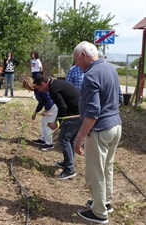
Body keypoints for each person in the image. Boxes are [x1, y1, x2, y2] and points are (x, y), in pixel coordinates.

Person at [73, 41, 122, 224]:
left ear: (84, 55)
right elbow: (118, 99)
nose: (77, 64)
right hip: (115, 126)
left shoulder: (91, 75)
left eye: (77, 60)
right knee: (107, 167)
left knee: (95, 172)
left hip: (100, 129)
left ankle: (100, 213)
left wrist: (79, 138)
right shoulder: (111, 69)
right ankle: (105, 202)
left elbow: (93, 112)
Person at [33, 74, 81, 180]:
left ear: (43, 84)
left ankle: (69, 170)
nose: (40, 91)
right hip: (79, 112)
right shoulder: (56, 84)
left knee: (63, 140)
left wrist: (57, 123)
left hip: (74, 114)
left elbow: (62, 107)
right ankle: (68, 163)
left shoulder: (53, 89)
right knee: (70, 140)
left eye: (39, 88)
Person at [23, 77, 58, 151]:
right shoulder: (36, 91)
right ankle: (43, 139)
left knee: (48, 125)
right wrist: (35, 113)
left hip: (53, 107)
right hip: (49, 108)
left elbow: (49, 101)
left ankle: (49, 144)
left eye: (26, 87)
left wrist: (46, 111)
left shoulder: (40, 90)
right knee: (43, 123)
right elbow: (41, 103)